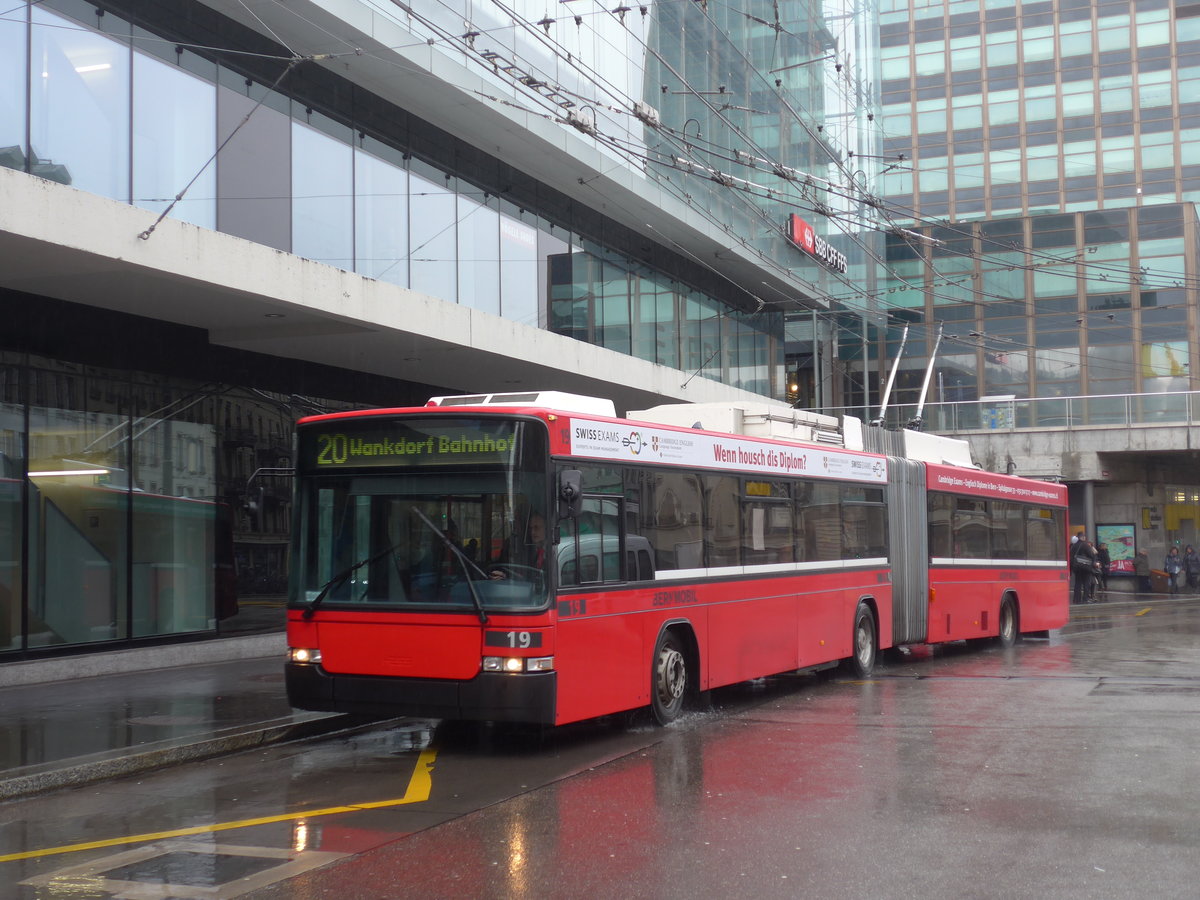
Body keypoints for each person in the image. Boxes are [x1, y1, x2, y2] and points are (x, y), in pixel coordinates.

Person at [1071, 536, 1098, 605]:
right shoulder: (1085, 545)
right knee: (1086, 583)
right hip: (1086, 567)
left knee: (1078, 584)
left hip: (1077, 567)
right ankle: (1085, 599)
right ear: (1082, 537)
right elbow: (1092, 556)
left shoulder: (1073, 546)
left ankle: (1076, 599)